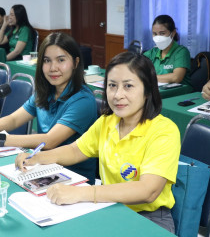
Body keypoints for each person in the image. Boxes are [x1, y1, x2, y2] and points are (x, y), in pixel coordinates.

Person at [15, 52, 180, 233]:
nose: (118, 95)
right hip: (108, 206)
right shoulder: (107, 122)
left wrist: (81, 194)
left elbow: (148, 191)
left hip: (148, 217)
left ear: (148, 91)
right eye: (112, 85)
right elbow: (75, 151)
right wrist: (37, 157)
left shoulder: (164, 131)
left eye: (128, 86)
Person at [0, 32, 98, 183]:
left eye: (61, 60)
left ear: (75, 62)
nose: (53, 67)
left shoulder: (83, 100)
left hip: (74, 178)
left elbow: (50, 140)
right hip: (41, 167)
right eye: (47, 61)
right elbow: (14, 119)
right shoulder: (47, 91)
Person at [143, 15, 191, 86]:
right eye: (155, 34)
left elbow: (176, 77)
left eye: (162, 33)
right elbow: (138, 73)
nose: (158, 37)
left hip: (180, 93)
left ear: (173, 33)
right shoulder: (151, 53)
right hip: (157, 90)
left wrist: (150, 77)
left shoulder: (181, 52)